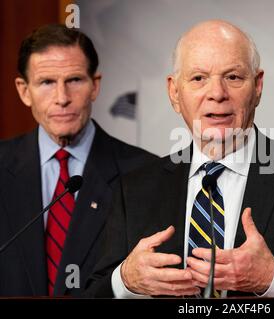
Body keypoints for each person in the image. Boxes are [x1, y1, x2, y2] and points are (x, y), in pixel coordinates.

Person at [86, 20, 274, 298]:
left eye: (233, 76)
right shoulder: (135, 189)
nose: (216, 93)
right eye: (198, 78)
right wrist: (125, 281)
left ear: (257, 87)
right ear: (174, 92)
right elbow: (94, 292)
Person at [0, 24, 158, 297]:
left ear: (95, 86)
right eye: (46, 82)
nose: (62, 98)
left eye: (74, 80)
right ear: (24, 91)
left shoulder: (145, 173)